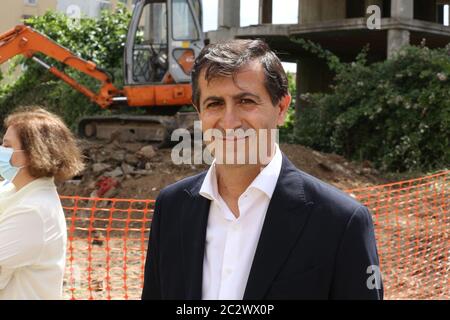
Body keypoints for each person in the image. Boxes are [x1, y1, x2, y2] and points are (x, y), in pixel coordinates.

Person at [142, 40, 383, 300]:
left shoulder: (341, 222)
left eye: (246, 101)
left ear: (281, 108)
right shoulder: (171, 209)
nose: (230, 121)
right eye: (215, 104)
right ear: (199, 112)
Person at [0, 107, 84, 300]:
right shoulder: (13, 190)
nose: (1, 151)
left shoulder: (33, 211)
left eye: (7, 146)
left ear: (32, 154)